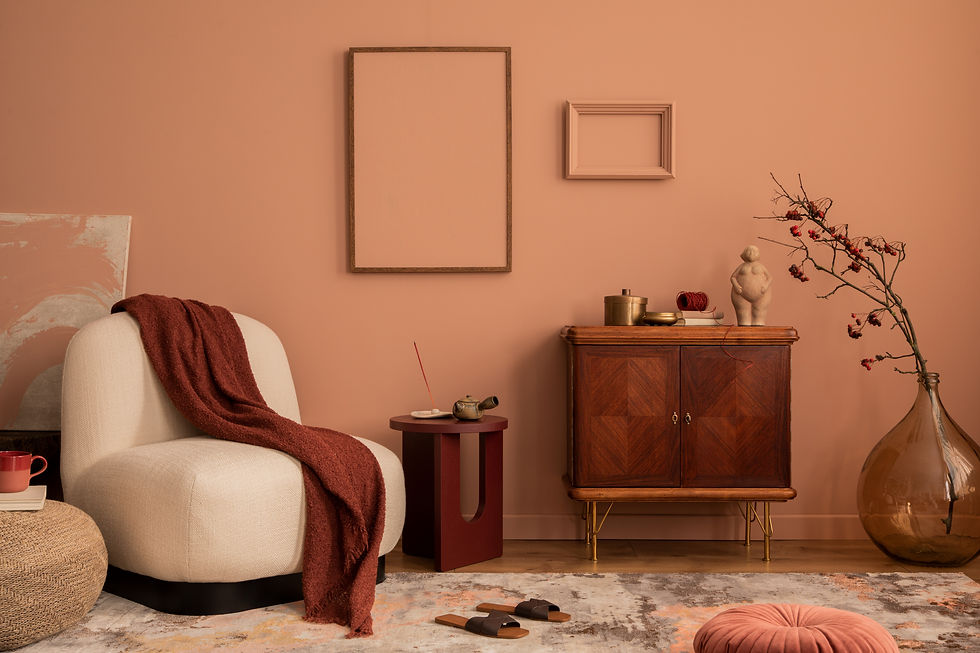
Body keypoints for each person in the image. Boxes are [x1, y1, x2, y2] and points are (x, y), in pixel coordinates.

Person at [730, 245, 771, 326]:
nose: (751, 253)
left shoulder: (761, 266)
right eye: (749, 251)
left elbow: (769, 277)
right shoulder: (742, 266)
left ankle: (758, 325)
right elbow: (733, 277)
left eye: (754, 251)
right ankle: (743, 325)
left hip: (762, 295)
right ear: (744, 254)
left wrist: (766, 285)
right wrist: (736, 285)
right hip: (740, 295)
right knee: (743, 316)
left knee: (759, 315)